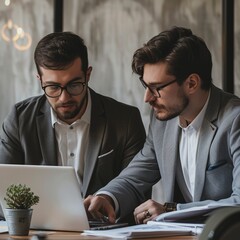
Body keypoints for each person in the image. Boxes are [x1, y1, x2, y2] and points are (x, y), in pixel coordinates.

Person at [84, 26, 240, 225]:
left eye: (156, 88)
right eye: (145, 85)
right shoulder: (162, 121)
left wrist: (171, 210)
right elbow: (136, 176)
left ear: (192, 83)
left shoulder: (235, 120)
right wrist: (106, 197)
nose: (147, 98)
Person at [0, 32, 146, 216]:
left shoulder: (125, 120)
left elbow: (138, 190)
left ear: (88, 74)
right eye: (53, 87)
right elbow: (4, 193)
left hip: (104, 231)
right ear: (40, 80)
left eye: (74, 84)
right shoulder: (19, 120)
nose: (64, 97)